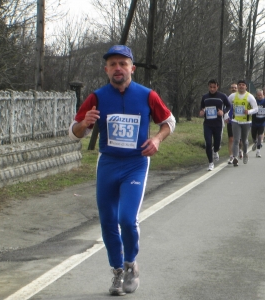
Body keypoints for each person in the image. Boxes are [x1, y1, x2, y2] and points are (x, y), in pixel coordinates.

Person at [69, 45, 176, 296]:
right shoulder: (97, 97)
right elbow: (74, 131)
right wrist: (84, 124)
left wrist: (158, 139)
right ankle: (117, 271)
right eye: (113, 64)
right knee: (107, 221)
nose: (118, 68)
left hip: (135, 164)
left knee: (126, 219)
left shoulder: (147, 95)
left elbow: (169, 121)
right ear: (106, 70)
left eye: (123, 64)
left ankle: (131, 264)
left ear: (132, 68)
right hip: (108, 163)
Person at [200, 79, 231, 171]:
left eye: (214, 87)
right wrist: (201, 111)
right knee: (208, 143)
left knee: (217, 143)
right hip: (207, 124)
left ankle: (215, 150)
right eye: (210, 87)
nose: (212, 89)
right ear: (208, 87)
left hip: (218, 123)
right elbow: (202, 107)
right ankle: (210, 163)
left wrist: (223, 111)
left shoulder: (222, 96)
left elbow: (229, 106)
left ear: (217, 87)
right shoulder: (205, 97)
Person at [228, 80, 258, 166]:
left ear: (246, 87)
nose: (241, 86)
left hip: (246, 121)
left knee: (244, 140)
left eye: (243, 85)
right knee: (236, 140)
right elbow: (227, 106)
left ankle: (245, 153)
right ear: (237, 87)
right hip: (235, 121)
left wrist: (248, 111)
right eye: (239, 85)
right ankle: (235, 157)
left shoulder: (250, 97)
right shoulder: (232, 96)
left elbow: (256, 109)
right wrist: (226, 115)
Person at [251, 89, 265, 158]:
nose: (260, 96)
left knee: (260, 136)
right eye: (258, 95)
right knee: (254, 137)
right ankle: (255, 142)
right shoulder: (253, 101)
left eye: (261, 95)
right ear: (256, 95)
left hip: (262, 122)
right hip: (254, 121)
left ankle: (258, 152)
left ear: (263, 95)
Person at [226, 83, 243, 164]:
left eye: (235, 88)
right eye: (232, 88)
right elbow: (226, 108)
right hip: (230, 120)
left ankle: (240, 150)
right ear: (230, 89)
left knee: (239, 140)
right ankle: (231, 157)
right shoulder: (229, 98)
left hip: (239, 120)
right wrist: (225, 116)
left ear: (237, 89)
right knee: (231, 139)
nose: (233, 89)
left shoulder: (241, 97)